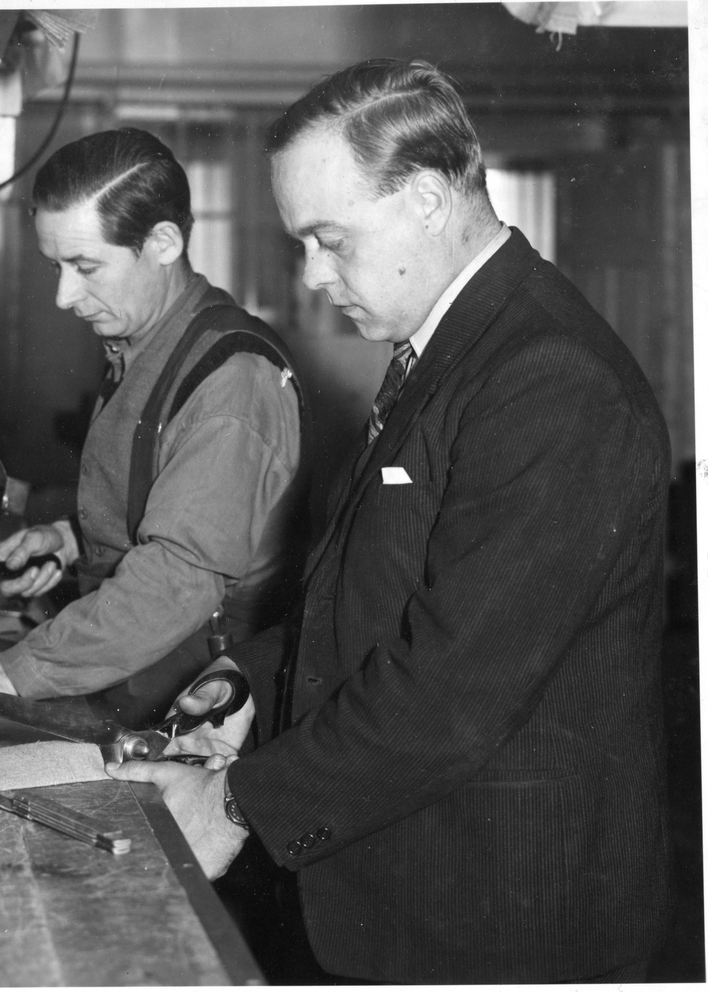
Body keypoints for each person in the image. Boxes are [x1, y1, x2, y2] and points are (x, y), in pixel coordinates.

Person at [108, 59, 672, 984]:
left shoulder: (549, 379)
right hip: (415, 895)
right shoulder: (456, 347)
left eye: (330, 240)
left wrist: (232, 806)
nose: (312, 276)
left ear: (427, 200)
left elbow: (450, 687)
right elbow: (383, 596)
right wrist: (249, 682)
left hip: (500, 927)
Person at [0, 128, 306, 728]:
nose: (64, 295)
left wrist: (4, 673)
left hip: (202, 695)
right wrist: (70, 539)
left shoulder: (232, 380)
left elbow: (178, 580)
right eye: (57, 266)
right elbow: (169, 498)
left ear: (163, 243)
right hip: (144, 665)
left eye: (86, 266)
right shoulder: (148, 343)